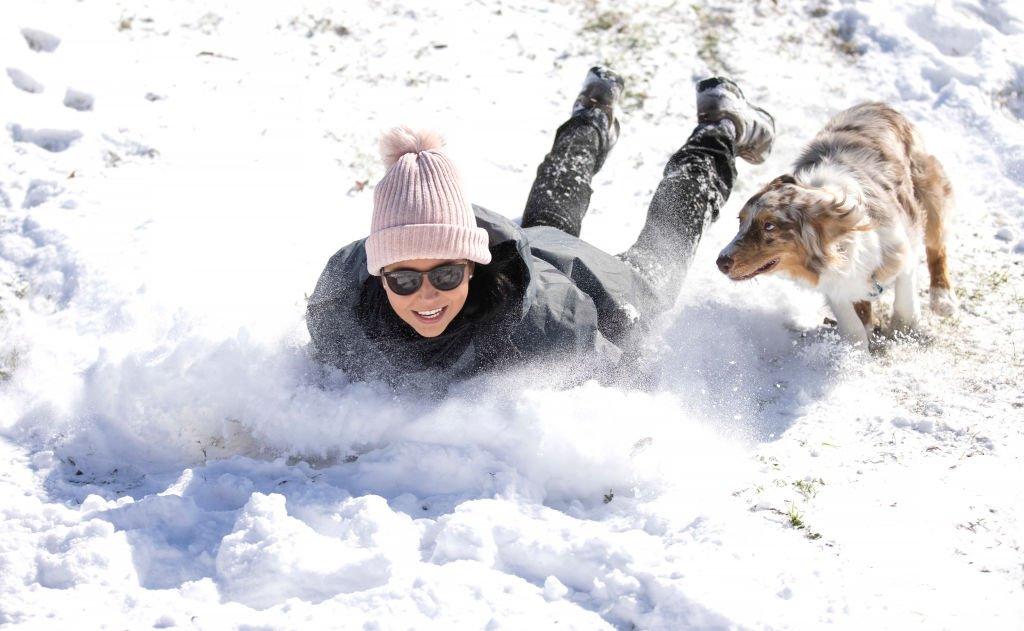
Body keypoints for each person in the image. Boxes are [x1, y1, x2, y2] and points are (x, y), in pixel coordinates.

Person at [306, 67, 775, 392]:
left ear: (472, 265)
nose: (426, 296)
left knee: (664, 245)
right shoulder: (340, 305)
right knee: (548, 216)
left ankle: (720, 126)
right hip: (531, 254)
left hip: (596, 288)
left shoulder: (549, 326)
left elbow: (625, 378)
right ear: (378, 273)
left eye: (446, 275)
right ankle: (593, 113)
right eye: (405, 279)